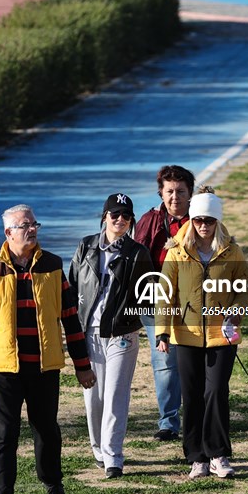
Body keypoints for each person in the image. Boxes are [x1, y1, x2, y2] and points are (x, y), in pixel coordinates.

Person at [0, 204, 96, 494]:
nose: (32, 230)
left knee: (47, 430)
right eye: (25, 226)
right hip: (4, 368)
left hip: (43, 365)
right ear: (8, 233)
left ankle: (53, 485)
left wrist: (82, 365)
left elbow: (69, 317)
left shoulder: (52, 265)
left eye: (34, 224)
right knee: (3, 435)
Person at [156, 189, 248, 480]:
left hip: (222, 336)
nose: (203, 226)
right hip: (186, 335)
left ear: (218, 222)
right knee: (193, 395)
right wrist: (162, 332)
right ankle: (197, 457)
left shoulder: (232, 252)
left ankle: (218, 454)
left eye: (209, 220)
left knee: (217, 392)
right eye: (198, 220)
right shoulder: (176, 252)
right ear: (192, 220)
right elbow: (164, 295)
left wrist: (234, 314)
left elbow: (244, 290)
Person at [68, 193, 152, 479]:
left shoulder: (137, 253)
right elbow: (71, 286)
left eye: (126, 216)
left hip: (122, 333)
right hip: (88, 333)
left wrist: (143, 322)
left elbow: (148, 293)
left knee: (116, 393)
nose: (120, 220)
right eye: (115, 214)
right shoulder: (86, 246)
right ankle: (98, 450)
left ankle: (114, 457)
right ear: (104, 216)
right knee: (94, 397)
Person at [134, 164, 195, 442]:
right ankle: (169, 422)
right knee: (164, 361)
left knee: (195, 359)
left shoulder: (201, 221)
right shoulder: (149, 221)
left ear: (190, 193)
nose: (174, 197)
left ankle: (199, 415)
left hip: (193, 300)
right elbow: (135, 260)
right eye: (169, 191)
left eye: (180, 191)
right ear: (160, 192)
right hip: (156, 298)